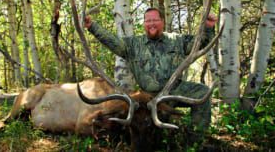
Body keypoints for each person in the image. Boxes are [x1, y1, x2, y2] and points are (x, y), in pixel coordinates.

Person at [84, 7, 217, 137]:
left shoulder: (177, 40)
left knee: (202, 92)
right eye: (148, 21)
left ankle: (197, 137)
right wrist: (92, 26)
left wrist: (208, 27)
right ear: (144, 24)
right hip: (149, 98)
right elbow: (112, 41)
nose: (151, 24)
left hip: (175, 91)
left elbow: (199, 43)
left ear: (162, 22)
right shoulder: (133, 45)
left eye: (155, 20)